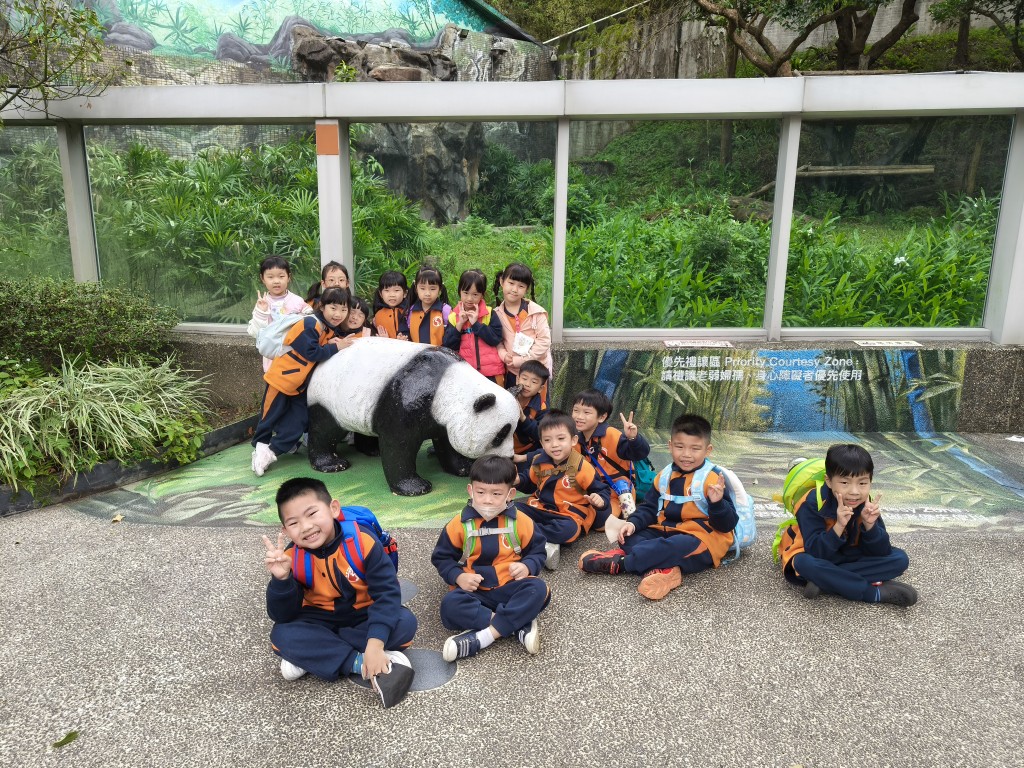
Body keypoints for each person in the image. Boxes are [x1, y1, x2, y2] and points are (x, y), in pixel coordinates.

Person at [262, 477, 416, 707]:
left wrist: (375, 641)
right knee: (281, 635)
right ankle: (360, 662)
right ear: (285, 530)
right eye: (293, 523)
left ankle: (317, 655)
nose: (306, 527)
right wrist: (281, 579)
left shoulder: (363, 542)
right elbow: (283, 615)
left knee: (405, 623)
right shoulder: (291, 556)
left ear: (333, 508)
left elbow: (387, 595)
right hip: (319, 618)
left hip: (364, 613)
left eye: (312, 514)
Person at [578, 413, 737, 601]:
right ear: (670, 446)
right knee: (628, 537)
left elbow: (727, 526)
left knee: (676, 546)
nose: (686, 454)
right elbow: (649, 508)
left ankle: (622, 563)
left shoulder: (713, 479)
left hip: (701, 537)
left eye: (695, 448)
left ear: (708, 450)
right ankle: (667, 570)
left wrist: (717, 503)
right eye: (680, 447)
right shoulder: (664, 476)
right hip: (666, 530)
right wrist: (632, 524)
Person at [431, 455, 550, 662]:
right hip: (475, 591)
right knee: (449, 605)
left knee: (539, 589)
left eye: (496, 493)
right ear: (470, 490)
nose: (487, 499)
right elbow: (442, 558)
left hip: (510, 586)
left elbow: (538, 552)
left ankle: (483, 638)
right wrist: (458, 577)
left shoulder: (522, 521)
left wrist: (527, 566)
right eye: (481, 492)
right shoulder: (458, 524)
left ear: (510, 494)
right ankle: (517, 625)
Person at [776, 444, 918, 606]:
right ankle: (873, 593)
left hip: (846, 557)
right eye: (845, 482)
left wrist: (870, 526)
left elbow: (882, 551)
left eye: (862, 483)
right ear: (829, 481)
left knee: (900, 559)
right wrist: (838, 527)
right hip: (817, 557)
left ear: (870, 481)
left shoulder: (865, 502)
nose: (854, 491)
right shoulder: (811, 502)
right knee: (803, 563)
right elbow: (815, 552)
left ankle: (826, 582)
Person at [251, 288, 350, 477]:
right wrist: (336, 346)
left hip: (299, 387)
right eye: (333, 308)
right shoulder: (310, 323)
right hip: (280, 380)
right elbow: (311, 352)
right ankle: (259, 448)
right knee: (268, 418)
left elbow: (316, 348)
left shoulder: (327, 328)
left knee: (298, 422)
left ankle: (270, 452)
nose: (338, 314)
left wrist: (331, 344)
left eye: (343, 310)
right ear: (322, 306)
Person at [515, 411, 610, 570]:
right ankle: (544, 542)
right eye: (547, 440)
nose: (554, 445)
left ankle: (526, 536)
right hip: (539, 508)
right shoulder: (538, 462)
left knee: (568, 530)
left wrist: (600, 500)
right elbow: (530, 482)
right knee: (511, 509)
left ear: (573, 440)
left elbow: (602, 490)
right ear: (541, 443)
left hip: (567, 515)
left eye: (561, 438)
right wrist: (518, 480)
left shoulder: (583, 467)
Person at [571, 388, 651, 522]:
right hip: (593, 490)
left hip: (617, 491)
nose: (579, 416)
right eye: (576, 410)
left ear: (602, 417)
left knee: (601, 521)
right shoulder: (575, 439)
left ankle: (628, 518)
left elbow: (639, 453)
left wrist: (633, 438)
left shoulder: (611, 434)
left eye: (586, 412)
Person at [247, 255, 312, 373]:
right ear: (262, 278)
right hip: (273, 362)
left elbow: (310, 323)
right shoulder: (262, 304)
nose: (276, 281)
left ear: (288, 277)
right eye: (270, 277)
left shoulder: (297, 301)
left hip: (296, 358)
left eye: (281, 276)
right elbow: (256, 333)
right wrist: (262, 312)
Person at [492, 262, 552, 389]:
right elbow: (497, 340)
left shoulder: (536, 312)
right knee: (514, 401)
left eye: (521, 286)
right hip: (512, 373)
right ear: (502, 281)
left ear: (527, 289)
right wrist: (504, 355)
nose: (514, 289)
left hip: (536, 373)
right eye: (511, 283)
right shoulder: (496, 314)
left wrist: (521, 360)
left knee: (537, 402)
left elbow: (544, 341)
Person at [443, 268, 505, 384]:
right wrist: (459, 325)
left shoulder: (489, 313)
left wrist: (476, 324)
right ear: (459, 291)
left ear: (482, 295)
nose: (469, 299)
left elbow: (495, 339)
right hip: (466, 375)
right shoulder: (453, 317)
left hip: (491, 373)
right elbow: (448, 346)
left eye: (475, 294)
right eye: (466, 293)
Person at [511, 359, 549, 463]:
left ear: (541, 388)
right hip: (504, 448)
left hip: (527, 450)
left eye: (534, 382)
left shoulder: (542, 408)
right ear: (517, 379)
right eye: (524, 378)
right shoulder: (507, 396)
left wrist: (523, 418)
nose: (527, 384)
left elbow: (540, 434)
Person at [405, 265, 452, 346]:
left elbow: (451, 338)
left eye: (432, 289)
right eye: (422, 288)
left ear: (440, 289)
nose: (427, 293)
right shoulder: (411, 311)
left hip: (439, 353)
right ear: (416, 288)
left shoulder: (446, 311)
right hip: (417, 353)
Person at [372, 270, 409, 340]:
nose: (392, 295)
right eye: (387, 290)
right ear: (381, 294)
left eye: (396, 290)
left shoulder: (409, 312)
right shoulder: (378, 316)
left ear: (405, 293)